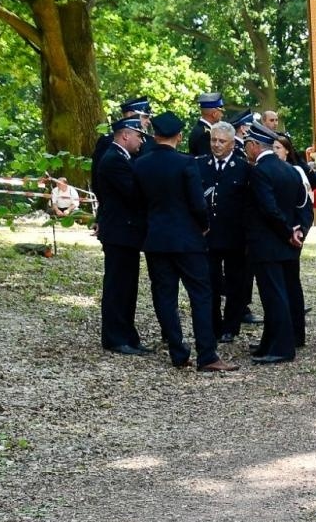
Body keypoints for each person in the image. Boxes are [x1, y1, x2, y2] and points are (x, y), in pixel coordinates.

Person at [133, 112, 237, 373]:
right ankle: (207, 354)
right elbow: (198, 203)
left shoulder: (140, 165)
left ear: (154, 135)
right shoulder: (186, 163)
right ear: (179, 136)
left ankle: (178, 352)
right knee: (201, 295)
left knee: (164, 295)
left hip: (156, 239)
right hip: (188, 239)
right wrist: (203, 227)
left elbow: (138, 203)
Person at [243, 122, 312, 363]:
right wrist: (299, 231)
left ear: (253, 146)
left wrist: (286, 231)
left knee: (274, 296)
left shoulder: (259, 171)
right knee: (284, 292)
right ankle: (271, 342)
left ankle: (282, 347)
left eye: (246, 146)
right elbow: (304, 205)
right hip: (288, 243)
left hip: (268, 243)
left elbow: (269, 209)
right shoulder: (290, 170)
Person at [93, 116, 151, 356]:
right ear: (125, 135)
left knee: (128, 285)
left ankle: (127, 334)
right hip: (119, 232)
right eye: (138, 136)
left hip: (125, 232)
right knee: (118, 285)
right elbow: (133, 194)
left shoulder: (123, 158)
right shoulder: (114, 160)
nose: (141, 141)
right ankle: (116, 337)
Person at [197, 123, 251, 344]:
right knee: (209, 282)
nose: (216, 145)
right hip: (208, 234)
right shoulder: (200, 165)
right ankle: (213, 325)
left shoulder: (243, 168)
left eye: (221, 141)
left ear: (232, 144)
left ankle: (231, 325)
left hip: (234, 236)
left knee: (235, 283)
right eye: (213, 140)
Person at [271, 134, 314, 349]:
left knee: (291, 285)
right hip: (275, 236)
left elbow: (305, 206)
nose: (275, 151)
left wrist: (301, 231)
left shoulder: (296, 172)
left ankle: (297, 333)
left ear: (287, 150)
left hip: (291, 236)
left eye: (278, 147)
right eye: (272, 147)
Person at [188, 93, 224, 158]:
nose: (222, 115)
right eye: (221, 112)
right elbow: (207, 161)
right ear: (214, 114)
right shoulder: (205, 134)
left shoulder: (200, 128)